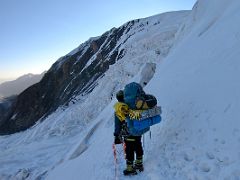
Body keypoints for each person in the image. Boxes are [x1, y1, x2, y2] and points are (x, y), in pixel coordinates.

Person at [113, 90, 144, 176]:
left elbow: (117, 124)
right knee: (138, 145)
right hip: (138, 130)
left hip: (128, 133)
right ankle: (139, 164)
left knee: (129, 150)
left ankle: (130, 169)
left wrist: (116, 135)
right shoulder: (132, 105)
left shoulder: (119, 109)